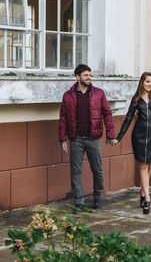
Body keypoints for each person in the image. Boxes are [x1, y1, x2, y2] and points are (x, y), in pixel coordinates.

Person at [111, 72, 151, 214]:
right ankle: (148, 199)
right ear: (142, 82)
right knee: (142, 165)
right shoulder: (136, 98)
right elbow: (128, 118)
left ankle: (143, 193)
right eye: (147, 81)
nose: (150, 84)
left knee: (149, 164)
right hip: (139, 136)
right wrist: (119, 137)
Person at [58, 64, 115, 211]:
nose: (89, 78)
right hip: (76, 139)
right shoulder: (68, 96)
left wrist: (110, 135)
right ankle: (79, 201)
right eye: (85, 75)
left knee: (97, 170)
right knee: (75, 171)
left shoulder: (98, 93)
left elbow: (107, 114)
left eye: (89, 75)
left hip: (93, 138)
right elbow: (63, 118)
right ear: (77, 77)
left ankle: (97, 198)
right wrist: (63, 139)